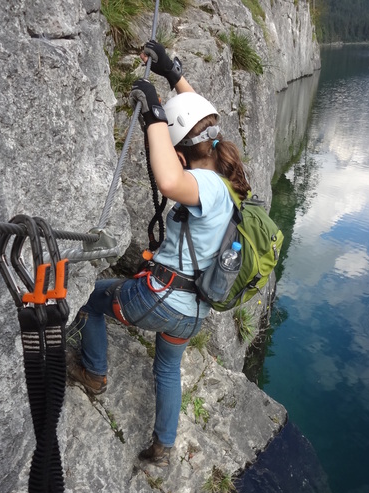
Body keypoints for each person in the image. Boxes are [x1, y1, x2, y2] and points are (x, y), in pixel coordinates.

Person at [68, 41, 251, 467]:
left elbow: (168, 182)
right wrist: (173, 76)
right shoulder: (226, 177)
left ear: (183, 154)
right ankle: (163, 447)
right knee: (166, 368)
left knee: (90, 299)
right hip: (193, 310)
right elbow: (201, 119)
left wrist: (154, 114)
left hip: (160, 298)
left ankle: (94, 373)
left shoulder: (202, 183)